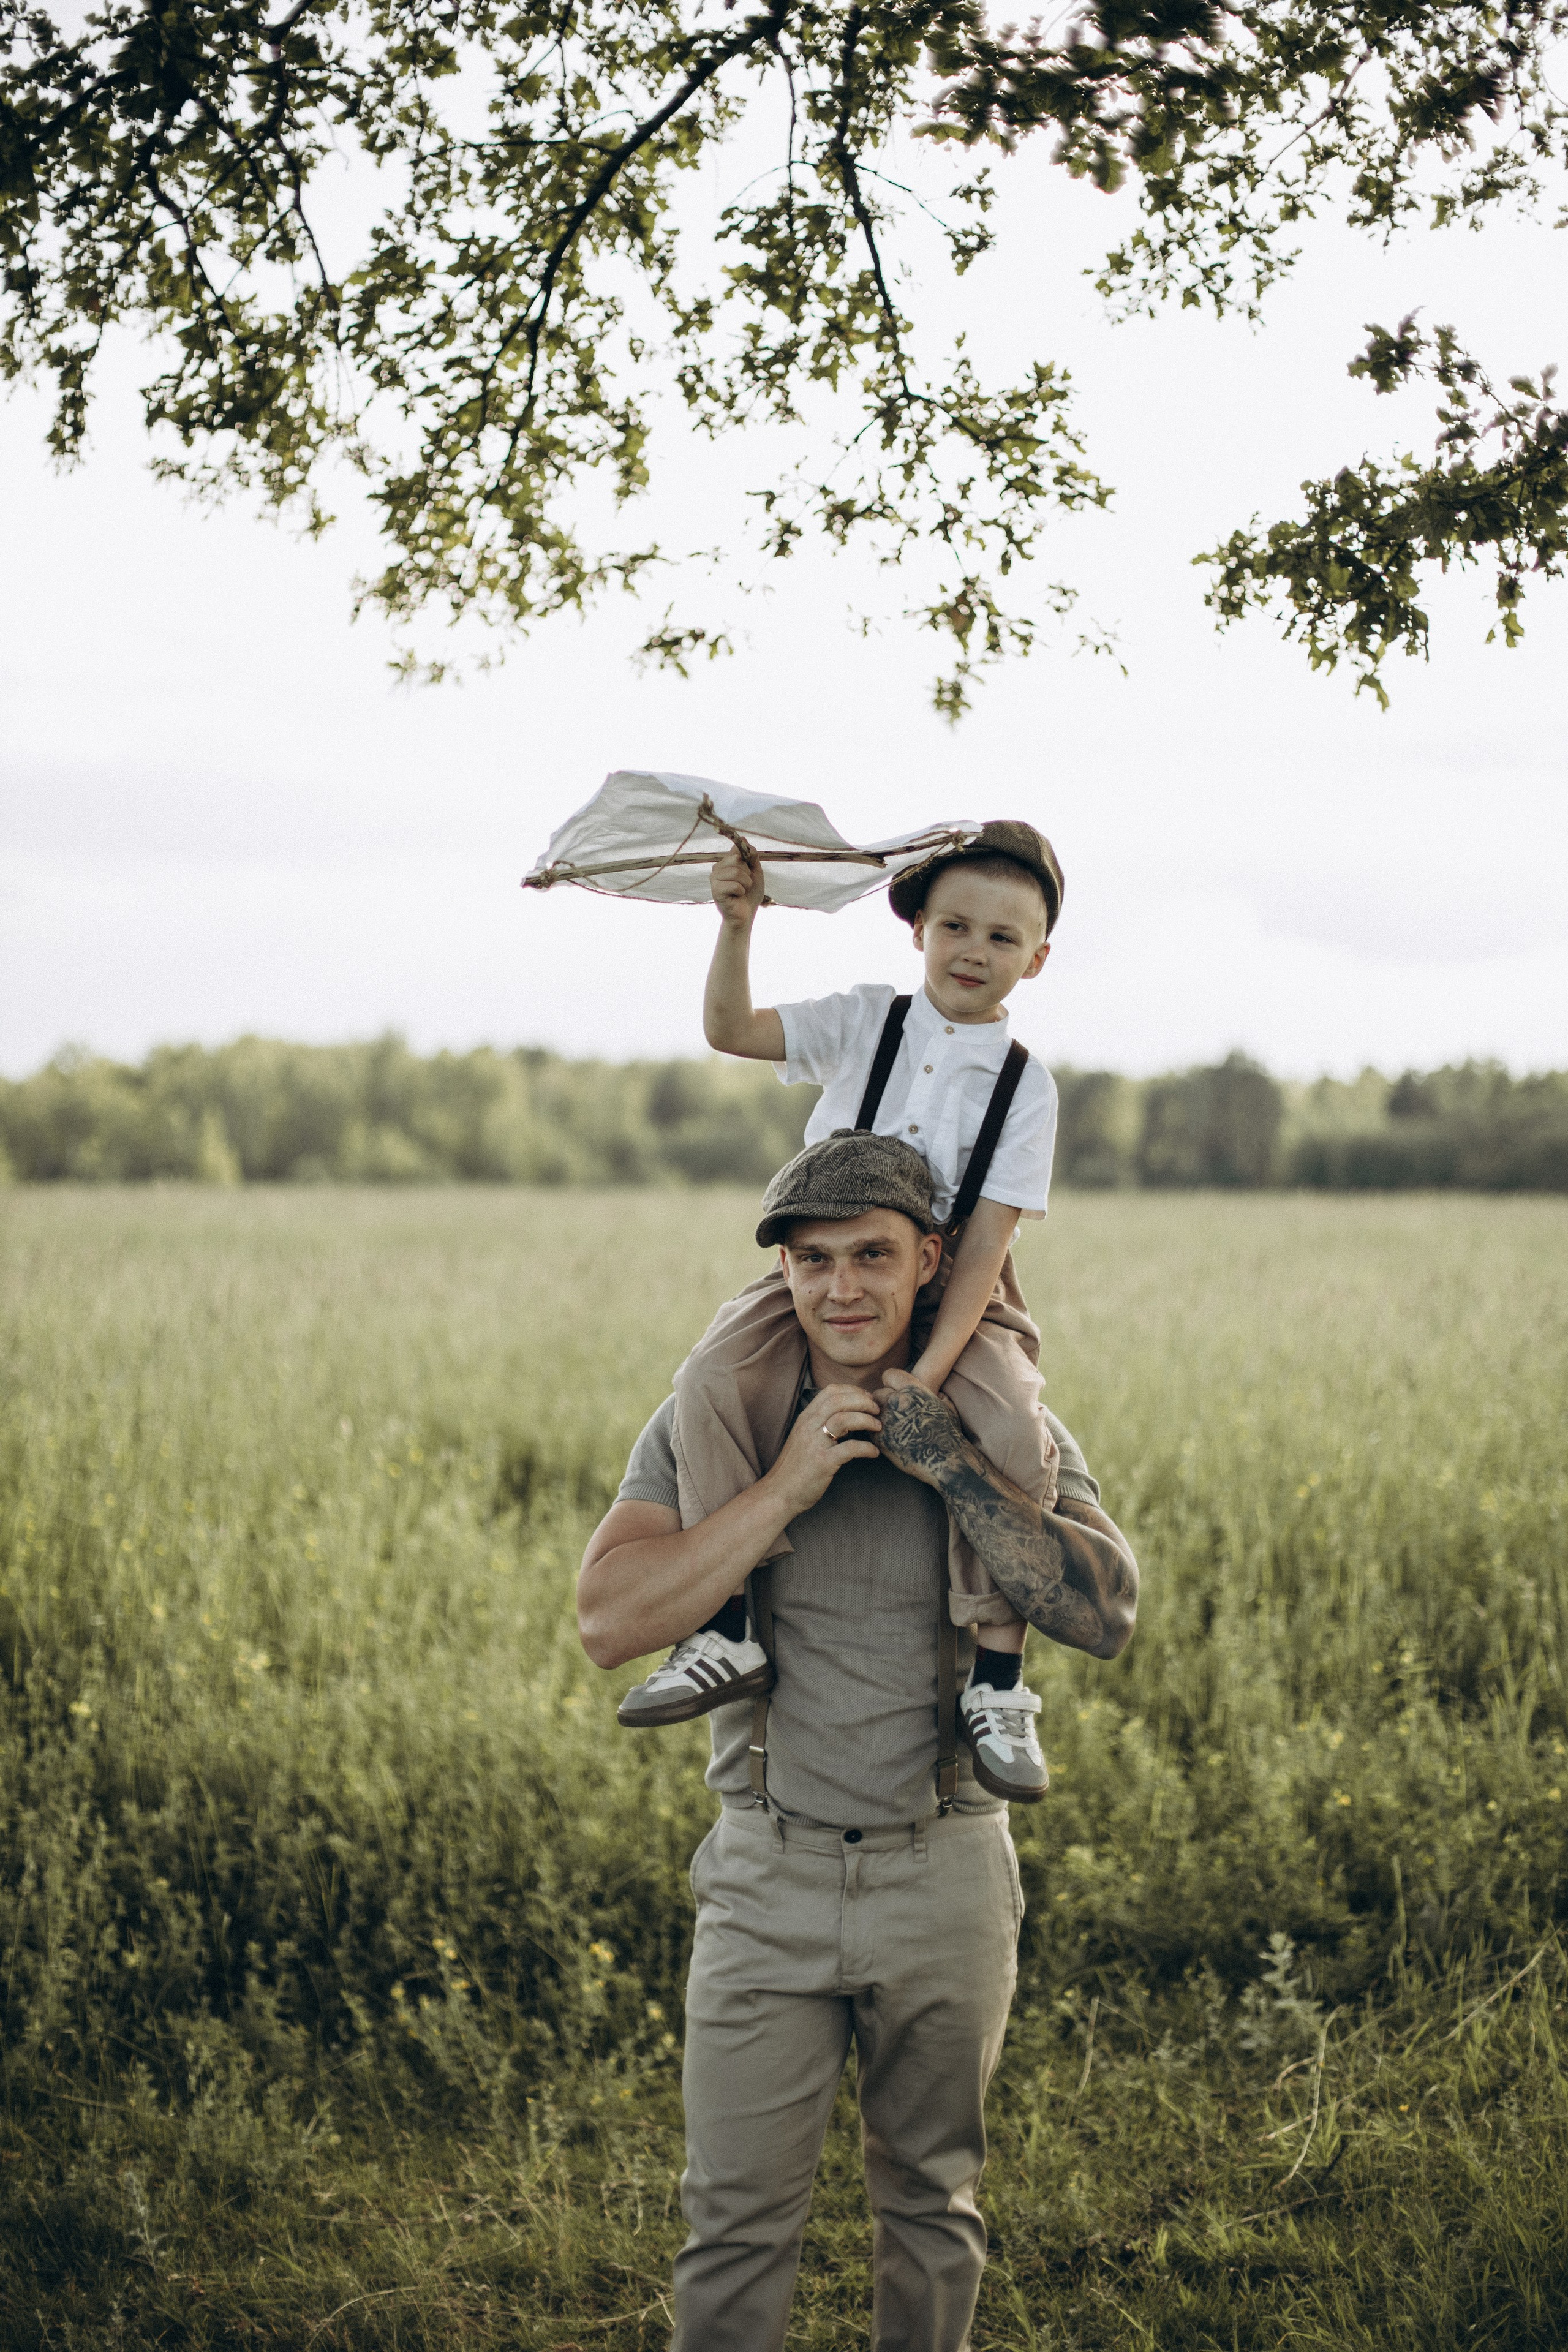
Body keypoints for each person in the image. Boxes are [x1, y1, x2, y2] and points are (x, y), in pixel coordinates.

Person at [578, 1131, 1137, 2352]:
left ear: (930, 1258)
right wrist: (779, 1491)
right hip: (763, 1875)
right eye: (811, 1260)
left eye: (871, 1257)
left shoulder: (1000, 1416)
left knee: (932, 2208)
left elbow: (1103, 1612)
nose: (840, 1290)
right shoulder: (716, 1417)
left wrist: (953, 1473)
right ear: (780, 1273)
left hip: (944, 1871)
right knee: (730, 2223)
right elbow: (609, 1621)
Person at [616, 818, 1066, 1803]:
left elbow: (986, 1249)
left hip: (956, 1295)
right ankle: (724, 1626)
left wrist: (927, 1378)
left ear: (1037, 959)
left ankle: (997, 1680)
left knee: (1013, 1429)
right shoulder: (867, 1021)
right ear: (918, 932)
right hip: (823, 1268)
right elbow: (731, 1030)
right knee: (712, 1377)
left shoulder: (1028, 1087)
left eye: (1002, 939)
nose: (974, 952)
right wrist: (737, 922)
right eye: (956, 926)